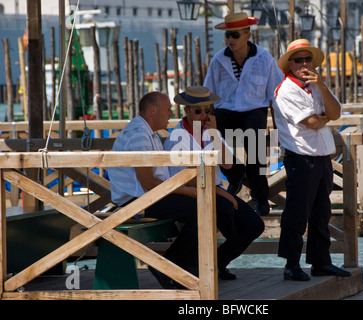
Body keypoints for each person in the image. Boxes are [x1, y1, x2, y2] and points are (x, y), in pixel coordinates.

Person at [164, 86, 265, 280]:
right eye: (198, 111)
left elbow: (228, 164)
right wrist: (223, 193)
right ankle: (208, 266)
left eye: (207, 110)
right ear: (186, 111)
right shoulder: (177, 139)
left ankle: (217, 262)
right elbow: (186, 179)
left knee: (255, 226)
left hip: (214, 191)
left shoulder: (210, 131)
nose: (204, 115)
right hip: (192, 193)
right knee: (228, 212)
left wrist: (214, 135)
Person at [272, 39, 351, 281]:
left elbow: (334, 114)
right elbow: (314, 122)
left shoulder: (316, 86)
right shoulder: (285, 90)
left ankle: (320, 262)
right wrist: (326, 116)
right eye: (299, 60)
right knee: (297, 213)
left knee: (321, 213)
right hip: (300, 157)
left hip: (321, 157)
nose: (305, 64)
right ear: (289, 65)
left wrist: (324, 87)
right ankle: (291, 265)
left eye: (308, 59)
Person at [108, 92, 200, 289]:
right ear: (152, 110)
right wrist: (186, 191)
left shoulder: (148, 132)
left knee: (203, 208)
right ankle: (170, 267)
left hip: (147, 198)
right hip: (136, 203)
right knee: (201, 210)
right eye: (168, 109)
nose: (170, 113)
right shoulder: (139, 135)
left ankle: (177, 268)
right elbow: (148, 183)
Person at [203, 12, 284, 216]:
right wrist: (207, 122)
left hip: (254, 111)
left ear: (248, 35)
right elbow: (208, 94)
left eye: (235, 35)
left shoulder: (264, 58)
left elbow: (276, 97)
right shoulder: (218, 60)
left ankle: (261, 198)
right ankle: (236, 175)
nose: (230, 39)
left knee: (255, 150)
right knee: (213, 141)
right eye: (228, 35)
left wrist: (278, 128)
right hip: (225, 111)